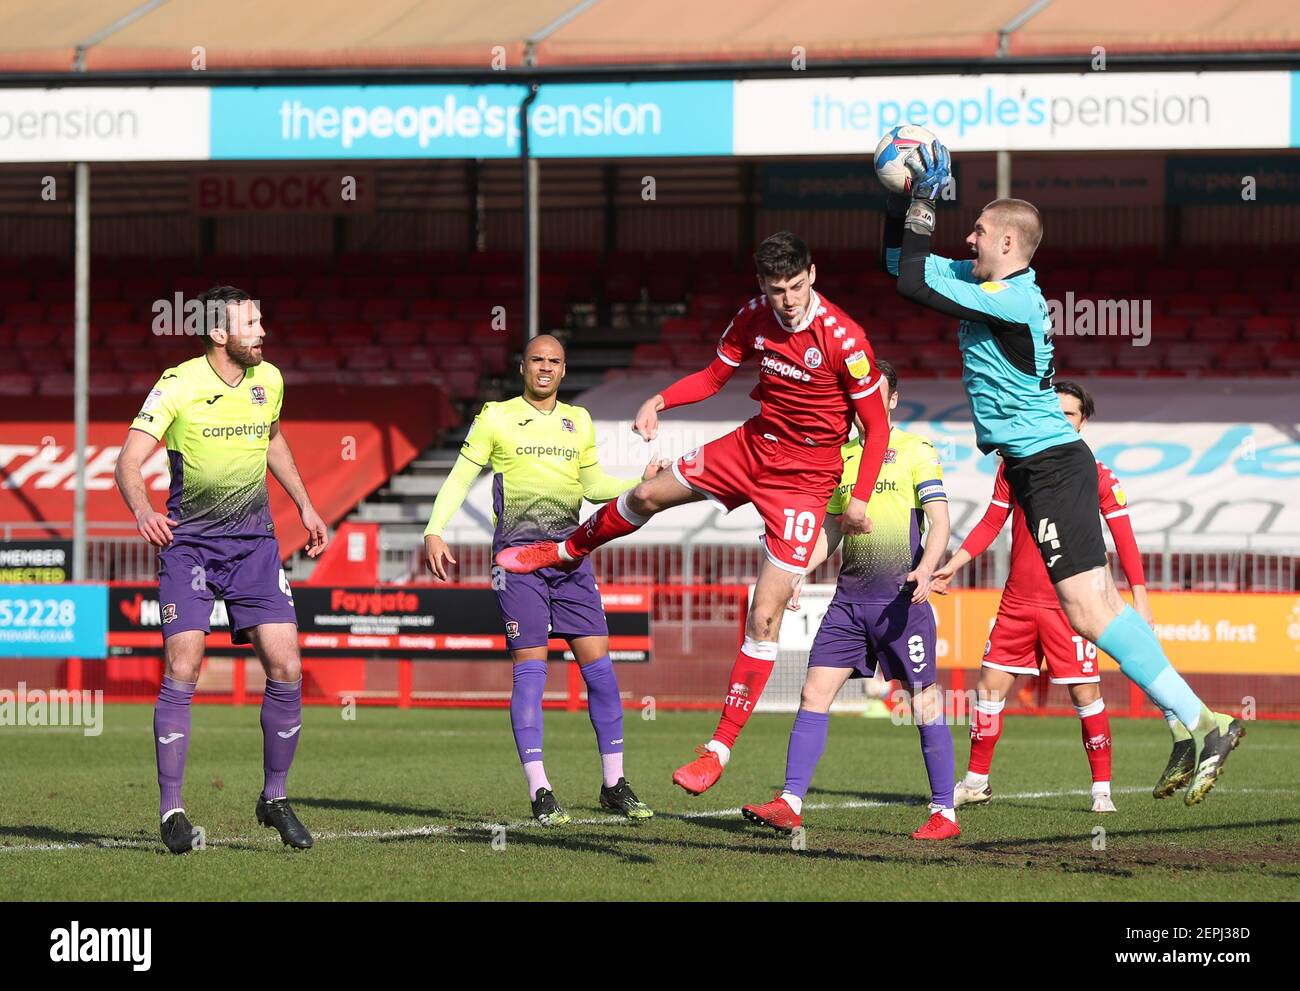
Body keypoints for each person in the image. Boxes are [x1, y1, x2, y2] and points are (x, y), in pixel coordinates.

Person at [885, 141, 1243, 805]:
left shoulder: (1013, 300)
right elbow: (898, 265)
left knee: (1084, 609)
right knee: (1096, 607)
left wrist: (927, 202)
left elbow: (911, 281)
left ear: (1011, 241)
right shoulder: (984, 286)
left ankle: (1204, 720)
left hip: (1050, 468)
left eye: (980, 230)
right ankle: (1189, 721)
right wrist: (904, 202)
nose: (970, 236)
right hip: (1042, 468)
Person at [496, 232, 892, 797]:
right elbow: (713, 376)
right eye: (777, 288)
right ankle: (565, 549)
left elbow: (876, 428)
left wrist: (859, 498)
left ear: (813, 275)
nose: (788, 299)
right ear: (762, 285)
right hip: (752, 447)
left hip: (805, 481)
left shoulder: (845, 340)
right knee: (649, 493)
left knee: (765, 613)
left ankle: (716, 750)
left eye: (797, 286)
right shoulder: (754, 316)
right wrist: (661, 399)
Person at [114, 286, 328, 854]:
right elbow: (128, 459)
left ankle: (275, 797)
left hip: (255, 545)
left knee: (286, 664)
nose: (262, 330)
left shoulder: (270, 380)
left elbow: (273, 439)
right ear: (218, 333)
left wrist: (304, 504)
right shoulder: (178, 384)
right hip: (192, 548)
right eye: (251, 322)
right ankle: (172, 812)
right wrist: (142, 510)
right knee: (183, 666)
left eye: (261, 319)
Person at [424, 334, 663, 825]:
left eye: (554, 361)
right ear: (523, 367)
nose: (546, 368)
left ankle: (614, 783)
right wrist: (435, 529)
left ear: (564, 369)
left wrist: (639, 484)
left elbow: (594, 487)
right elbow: (460, 477)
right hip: (516, 563)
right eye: (537, 360)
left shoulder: (580, 422)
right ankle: (541, 791)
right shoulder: (496, 416)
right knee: (531, 672)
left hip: (570, 560)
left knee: (601, 670)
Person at [741, 359, 959, 840]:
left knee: (925, 704)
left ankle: (945, 811)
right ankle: (791, 802)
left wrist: (924, 569)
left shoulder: (914, 450)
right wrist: (796, 571)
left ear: (894, 400)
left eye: (878, 392)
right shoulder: (842, 456)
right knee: (813, 693)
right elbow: (832, 528)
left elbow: (940, 520)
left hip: (901, 603)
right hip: (849, 603)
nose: (866, 402)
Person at [932, 382, 1150, 812]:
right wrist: (954, 563)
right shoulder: (1016, 464)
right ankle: (977, 781)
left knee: (1085, 695)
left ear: (1083, 421)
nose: (1060, 420)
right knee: (990, 687)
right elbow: (992, 521)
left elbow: (1124, 537)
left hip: (1071, 605)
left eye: (1069, 414)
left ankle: (1101, 789)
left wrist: (1140, 599)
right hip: (1017, 602)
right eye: (1055, 413)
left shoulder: (1096, 474)